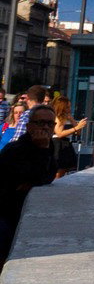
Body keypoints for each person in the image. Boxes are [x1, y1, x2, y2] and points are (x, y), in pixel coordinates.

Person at [0, 104, 58, 258]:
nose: (45, 127)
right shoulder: (15, 150)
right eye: (40, 123)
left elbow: (48, 175)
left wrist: (44, 149)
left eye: (50, 123)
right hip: (7, 216)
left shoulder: (48, 147)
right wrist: (42, 149)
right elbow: (33, 177)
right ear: (29, 126)